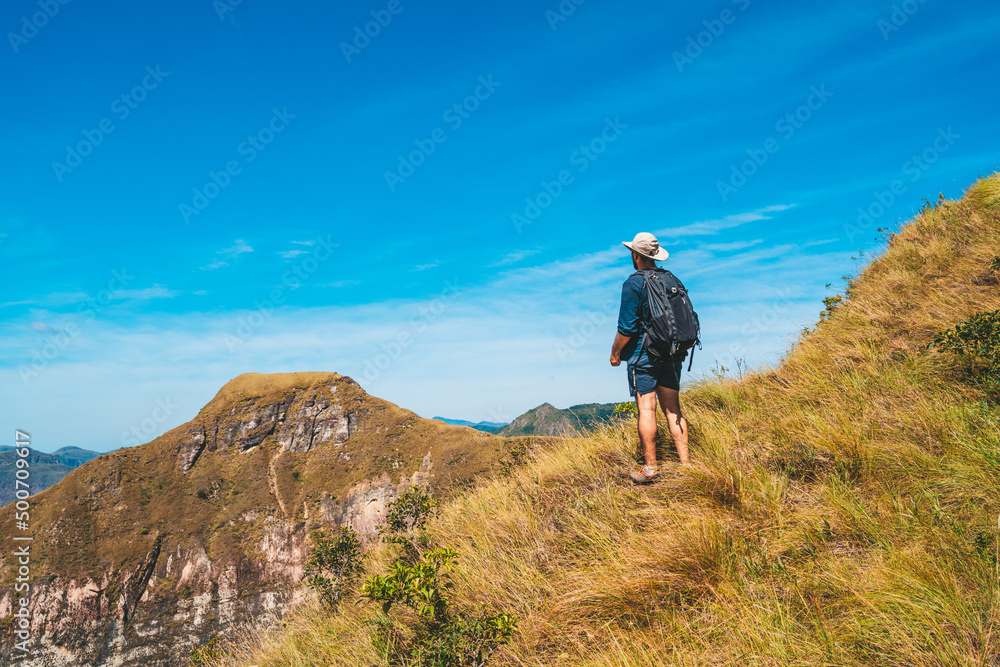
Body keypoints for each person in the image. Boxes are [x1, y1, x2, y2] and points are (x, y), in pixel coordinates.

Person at [610, 232, 691, 483]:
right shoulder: (671, 279)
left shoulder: (634, 283)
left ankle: (651, 469)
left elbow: (627, 328)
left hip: (644, 355)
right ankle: (687, 466)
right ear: (654, 255)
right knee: (673, 410)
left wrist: (615, 354)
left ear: (635, 255)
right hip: (672, 351)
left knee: (647, 409)